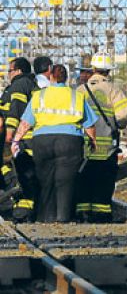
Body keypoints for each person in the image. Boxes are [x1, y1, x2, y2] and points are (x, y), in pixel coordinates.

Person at [11, 64, 98, 223]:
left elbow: (25, 122)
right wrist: (93, 141)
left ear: (50, 76)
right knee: (65, 180)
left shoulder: (39, 96)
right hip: (70, 141)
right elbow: (89, 124)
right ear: (66, 78)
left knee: (45, 180)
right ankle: (63, 217)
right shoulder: (76, 96)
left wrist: (16, 140)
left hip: (42, 141)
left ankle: (45, 217)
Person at [74, 53, 127, 222]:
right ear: (108, 71)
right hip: (107, 149)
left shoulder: (81, 90)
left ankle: (83, 213)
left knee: (84, 179)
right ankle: (101, 215)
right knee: (104, 181)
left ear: (93, 69)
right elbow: (123, 114)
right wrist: (117, 124)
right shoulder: (113, 90)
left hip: (85, 147)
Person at [0, 58, 37, 220]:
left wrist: (9, 133)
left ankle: (22, 211)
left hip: (20, 139)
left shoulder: (19, 85)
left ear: (19, 71)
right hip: (24, 139)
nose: (8, 74)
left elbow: (15, 112)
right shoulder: (29, 85)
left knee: (21, 173)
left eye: (10, 71)